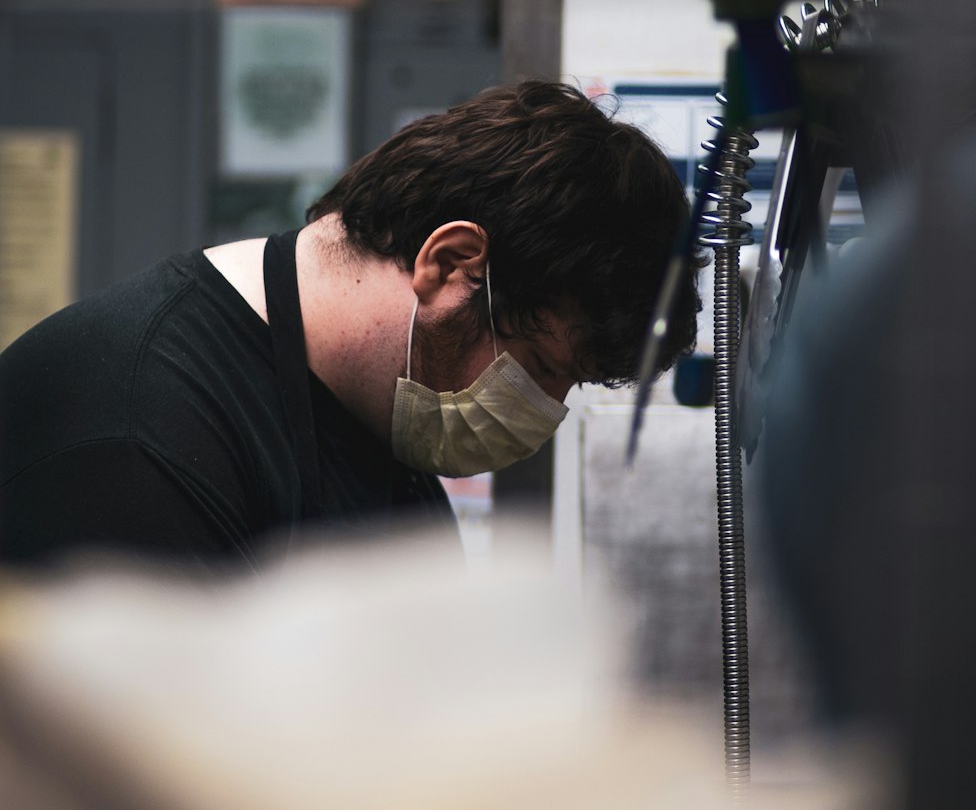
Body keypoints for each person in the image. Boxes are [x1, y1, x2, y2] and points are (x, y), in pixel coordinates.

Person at [0, 81, 699, 570]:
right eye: (542, 367)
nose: (542, 409)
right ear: (450, 263)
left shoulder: (377, 418)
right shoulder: (136, 433)